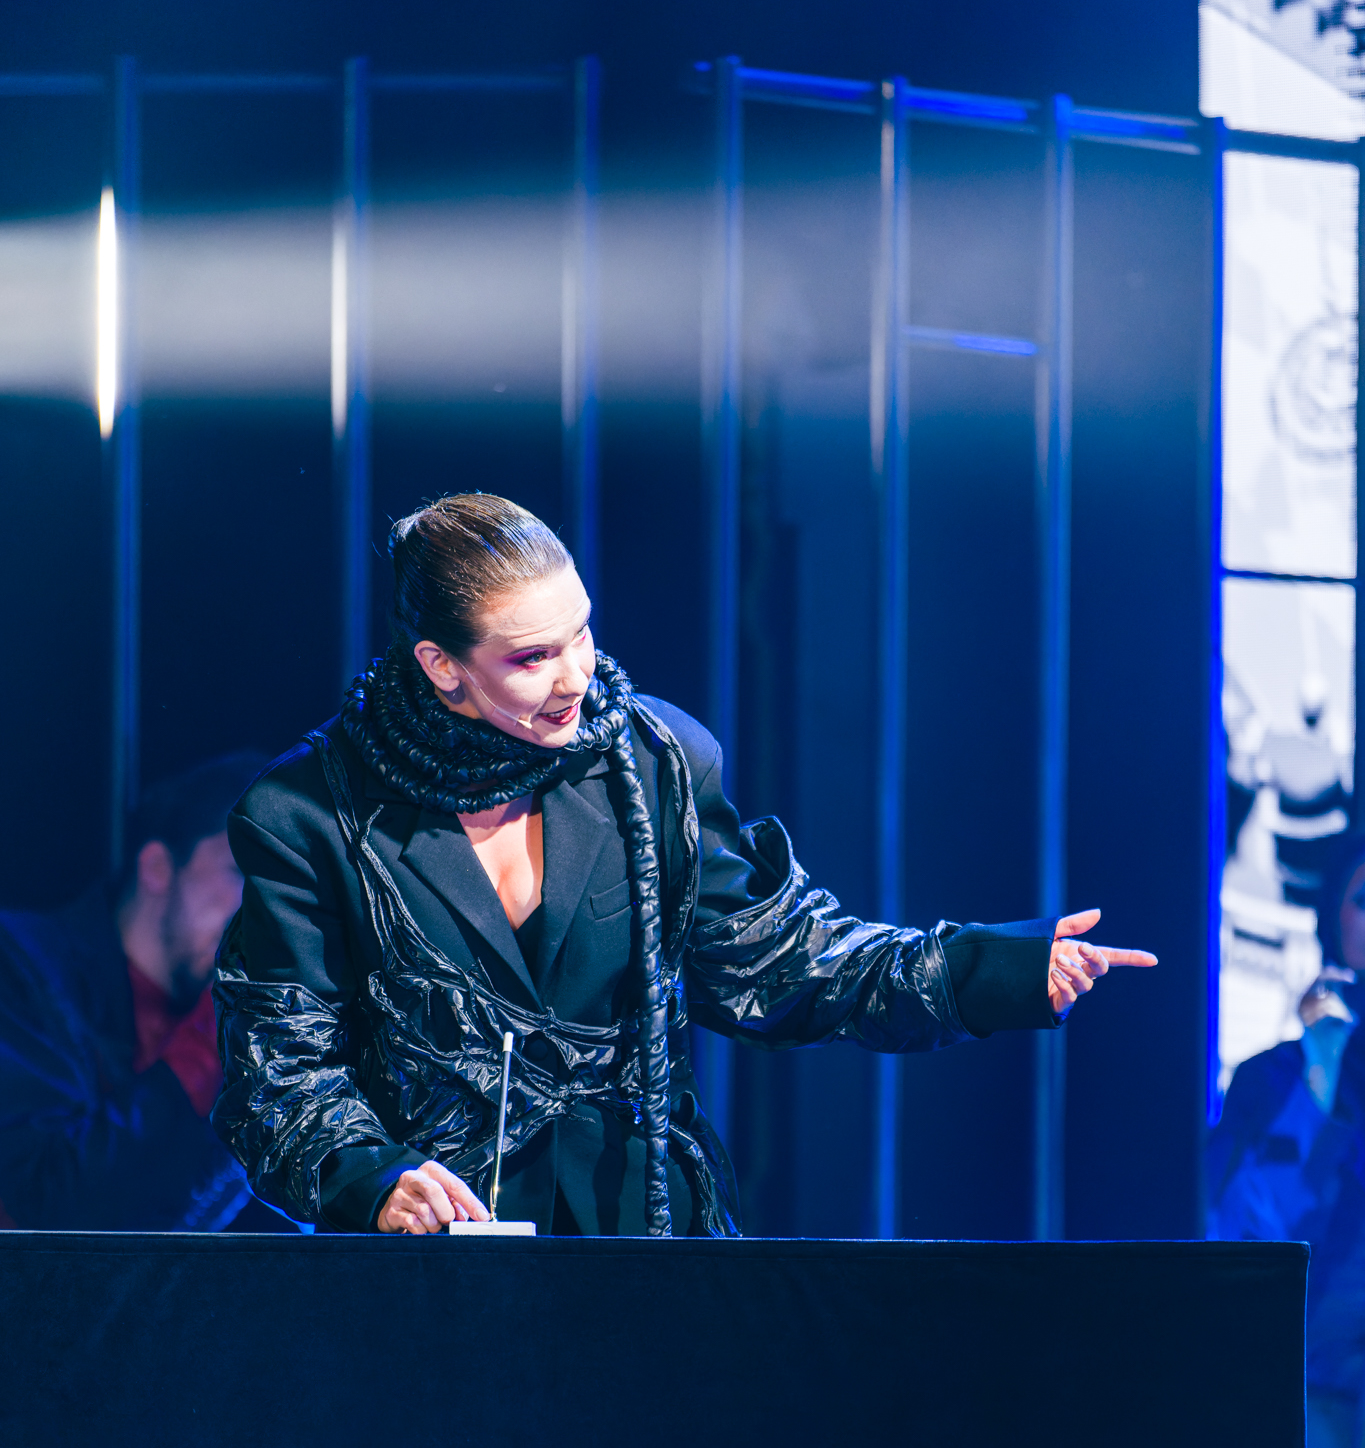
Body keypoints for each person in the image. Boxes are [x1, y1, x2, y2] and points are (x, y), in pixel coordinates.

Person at [213, 492, 1156, 1238]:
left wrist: (990, 969)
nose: (576, 676)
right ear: (441, 665)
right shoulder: (306, 813)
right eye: (532, 658)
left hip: (644, 1236)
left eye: (581, 634)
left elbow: (782, 960)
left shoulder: (657, 761)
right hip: (432, 1266)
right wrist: (374, 1180)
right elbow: (279, 1068)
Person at [0, 751, 282, 1231]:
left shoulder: (230, 1014)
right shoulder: (19, 963)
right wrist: (210, 1044)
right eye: (242, 873)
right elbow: (44, 1207)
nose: (267, 914)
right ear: (157, 867)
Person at [1209, 828, 1365, 1448]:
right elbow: (1242, 1229)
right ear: (1331, 920)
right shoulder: (1274, 1079)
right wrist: (1318, 1084)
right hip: (1307, 1381)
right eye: (1363, 900)